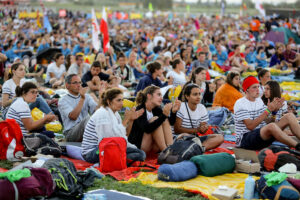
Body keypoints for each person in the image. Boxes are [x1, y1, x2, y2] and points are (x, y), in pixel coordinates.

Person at [234, 76, 300, 151]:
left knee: (289, 116)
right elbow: (250, 126)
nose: (258, 90)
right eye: (254, 87)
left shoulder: (259, 101)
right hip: (245, 140)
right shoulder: (240, 103)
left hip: (262, 135)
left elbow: (266, 121)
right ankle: (297, 146)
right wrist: (268, 110)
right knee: (271, 126)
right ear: (246, 89)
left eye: (258, 87)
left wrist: (274, 112)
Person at [81, 88, 146, 163]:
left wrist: (131, 120)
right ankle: (117, 161)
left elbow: (124, 135)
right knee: (138, 156)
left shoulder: (116, 114)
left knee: (141, 153)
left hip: (108, 147)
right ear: (109, 102)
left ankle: (118, 160)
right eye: (118, 100)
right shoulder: (102, 114)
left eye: (122, 100)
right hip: (93, 152)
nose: (121, 103)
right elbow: (109, 140)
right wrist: (126, 120)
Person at [128, 86, 179, 153]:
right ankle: (165, 152)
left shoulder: (156, 109)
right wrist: (164, 115)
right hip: (140, 146)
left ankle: (171, 149)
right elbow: (147, 129)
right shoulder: (140, 109)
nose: (162, 98)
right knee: (155, 119)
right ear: (149, 96)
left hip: (153, 145)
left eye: (161, 95)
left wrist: (173, 112)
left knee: (165, 120)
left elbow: (170, 123)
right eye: (158, 95)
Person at [174, 83, 224, 150]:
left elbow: (202, 131)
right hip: (181, 138)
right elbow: (177, 130)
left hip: (194, 139)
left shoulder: (202, 107)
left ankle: (198, 149)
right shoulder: (182, 107)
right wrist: (197, 130)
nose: (198, 97)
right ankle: (196, 149)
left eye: (199, 94)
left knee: (220, 137)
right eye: (195, 94)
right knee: (184, 135)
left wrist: (204, 128)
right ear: (187, 96)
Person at [58, 74, 99, 142]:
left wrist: (102, 95)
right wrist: (82, 99)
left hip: (86, 130)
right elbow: (73, 116)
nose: (79, 85)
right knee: (88, 119)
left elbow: (97, 112)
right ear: (67, 85)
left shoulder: (87, 96)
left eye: (80, 82)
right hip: (71, 133)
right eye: (75, 83)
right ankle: (95, 143)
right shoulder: (63, 100)